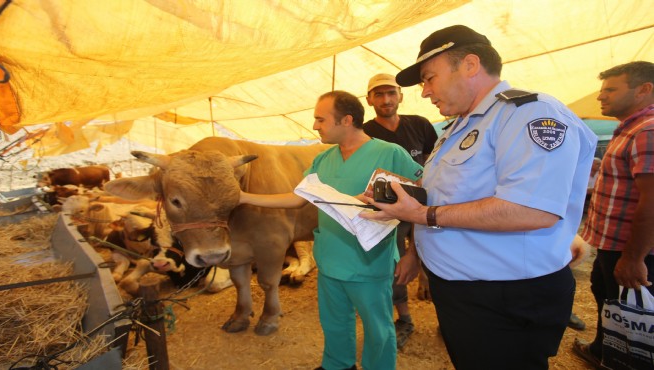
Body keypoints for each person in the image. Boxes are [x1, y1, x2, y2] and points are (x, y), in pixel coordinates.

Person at [360, 25, 598, 369]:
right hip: (465, 291)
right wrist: (399, 202)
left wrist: (423, 215)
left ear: (470, 65)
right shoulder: (458, 127)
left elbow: (531, 210)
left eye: (429, 78)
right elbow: (444, 192)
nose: (425, 92)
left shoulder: (528, 113)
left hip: (504, 295)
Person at [239, 90, 423, 370]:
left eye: (320, 119)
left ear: (346, 120)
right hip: (330, 261)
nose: (315, 126)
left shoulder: (390, 153)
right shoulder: (324, 160)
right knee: (335, 322)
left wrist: (413, 251)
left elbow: (422, 195)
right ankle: (338, 365)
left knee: (378, 329)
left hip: (368, 263)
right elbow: (297, 197)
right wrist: (243, 197)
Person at [572, 61, 654, 368]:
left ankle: (624, 359)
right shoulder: (630, 129)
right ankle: (603, 351)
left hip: (632, 249)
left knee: (632, 310)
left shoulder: (648, 130)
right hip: (613, 245)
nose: (601, 97)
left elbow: (651, 200)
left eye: (610, 89)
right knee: (609, 298)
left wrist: (634, 258)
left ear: (644, 90)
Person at [363, 73, 438, 349]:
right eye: (379, 94)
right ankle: (405, 318)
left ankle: (446, 317)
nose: (386, 99)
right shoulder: (364, 133)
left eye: (391, 93)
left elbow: (433, 160)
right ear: (369, 99)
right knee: (394, 265)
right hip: (389, 212)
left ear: (400, 96)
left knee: (437, 255)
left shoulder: (420, 125)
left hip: (425, 206)